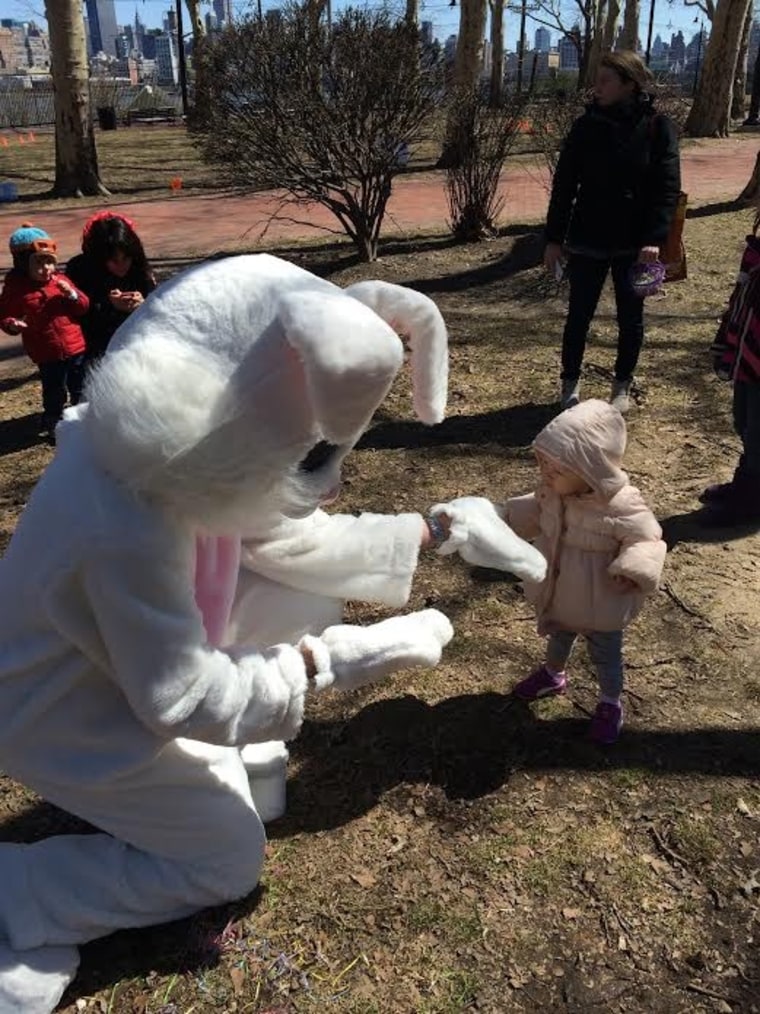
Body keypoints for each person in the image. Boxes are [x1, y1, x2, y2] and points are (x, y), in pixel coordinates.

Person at [0, 252, 464, 1013]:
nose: (330, 481)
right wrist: (327, 661)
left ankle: (200, 775)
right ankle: (25, 893)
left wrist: (425, 530)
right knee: (225, 857)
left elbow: (282, 538)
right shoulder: (124, 526)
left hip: (109, 679)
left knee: (284, 598)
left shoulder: (169, 467)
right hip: (54, 714)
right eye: (311, 456)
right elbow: (180, 696)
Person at [433, 400, 666, 744]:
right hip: (560, 596)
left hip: (603, 604)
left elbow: (648, 539)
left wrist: (633, 568)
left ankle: (610, 702)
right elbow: (522, 515)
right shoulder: (551, 495)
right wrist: (494, 520)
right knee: (558, 638)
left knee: (606, 657)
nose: (545, 473)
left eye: (555, 469)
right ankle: (553, 675)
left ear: (589, 468)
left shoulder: (623, 505)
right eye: (542, 464)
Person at [543, 51, 681, 413]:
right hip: (588, 239)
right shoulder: (585, 126)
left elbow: (667, 188)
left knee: (631, 317)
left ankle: (622, 385)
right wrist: (554, 240)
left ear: (629, 84)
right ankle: (569, 383)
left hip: (637, 246)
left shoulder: (657, 127)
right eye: (597, 79)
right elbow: (564, 186)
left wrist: (654, 238)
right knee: (579, 315)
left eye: (605, 80)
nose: (597, 87)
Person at [0, 224, 88, 442]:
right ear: (22, 263)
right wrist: (12, 324)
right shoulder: (15, 289)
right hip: (46, 351)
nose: (47, 268)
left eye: (50, 261)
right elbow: (5, 315)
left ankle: (84, 419)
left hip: (75, 345)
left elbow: (83, 307)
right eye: (39, 263)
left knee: (81, 386)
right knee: (54, 390)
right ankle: (54, 422)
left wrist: (73, 296)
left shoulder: (61, 281)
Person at [703, 222, 760, 525]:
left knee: (757, 429)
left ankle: (750, 499)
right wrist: (727, 341)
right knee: (743, 418)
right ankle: (746, 481)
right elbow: (739, 299)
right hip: (750, 350)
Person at [65, 211, 156, 361]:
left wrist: (143, 305)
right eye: (113, 260)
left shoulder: (140, 269)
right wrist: (109, 306)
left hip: (139, 347)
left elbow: (158, 310)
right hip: (97, 352)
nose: (121, 266)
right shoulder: (79, 270)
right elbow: (75, 318)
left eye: (126, 258)